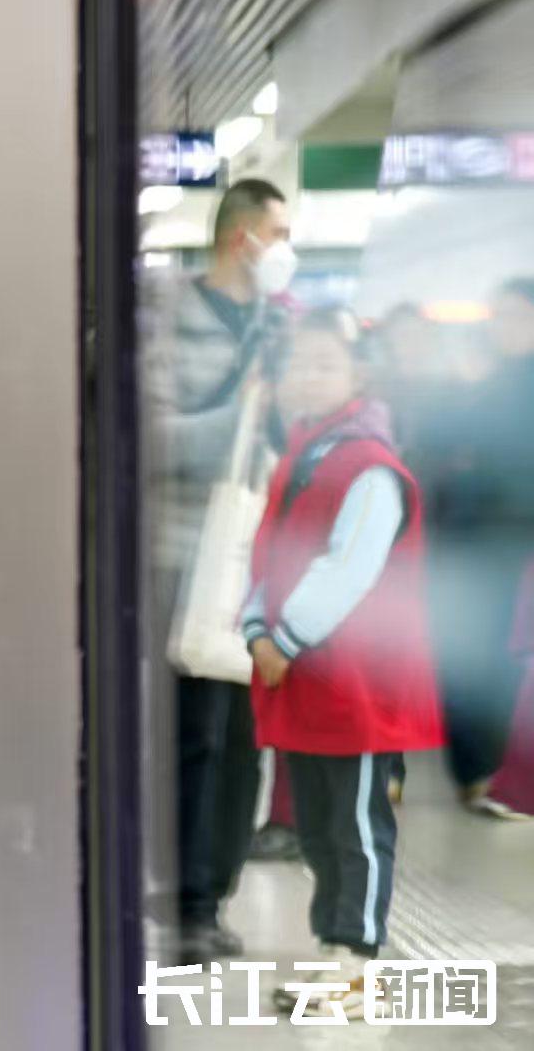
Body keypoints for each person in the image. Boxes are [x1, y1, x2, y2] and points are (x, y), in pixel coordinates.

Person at [242, 309, 442, 1015]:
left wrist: (281, 637)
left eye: (324, 363)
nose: (307, 376)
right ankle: (334, 956)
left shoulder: (368, 465)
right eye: (298, 363)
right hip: (306, 677)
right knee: (319, 829)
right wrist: (255, 625)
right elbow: (268, 551)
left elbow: (347, 567)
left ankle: (358, 967)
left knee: (355, 828)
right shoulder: (305, 452)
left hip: (354, 682)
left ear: (359, 374)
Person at [145, 177, 294, 962]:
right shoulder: (167, 319)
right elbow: (150, 437)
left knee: (245, 737)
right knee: (194, 732)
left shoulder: (278, 325)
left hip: (258, 559)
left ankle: (212, 889)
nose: (285, 249)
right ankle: (186, 900)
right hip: (184, 554)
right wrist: (237, 418)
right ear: (244, 238)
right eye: (280, 233)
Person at [436, 279, 534, 815]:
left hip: (514, 542)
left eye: (517, 316)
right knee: (478, 656)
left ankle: (493, 773)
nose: (506, 327)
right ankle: (477, 773)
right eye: (500, 316)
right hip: (479, 542)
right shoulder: (483, 383)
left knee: (505, 660)